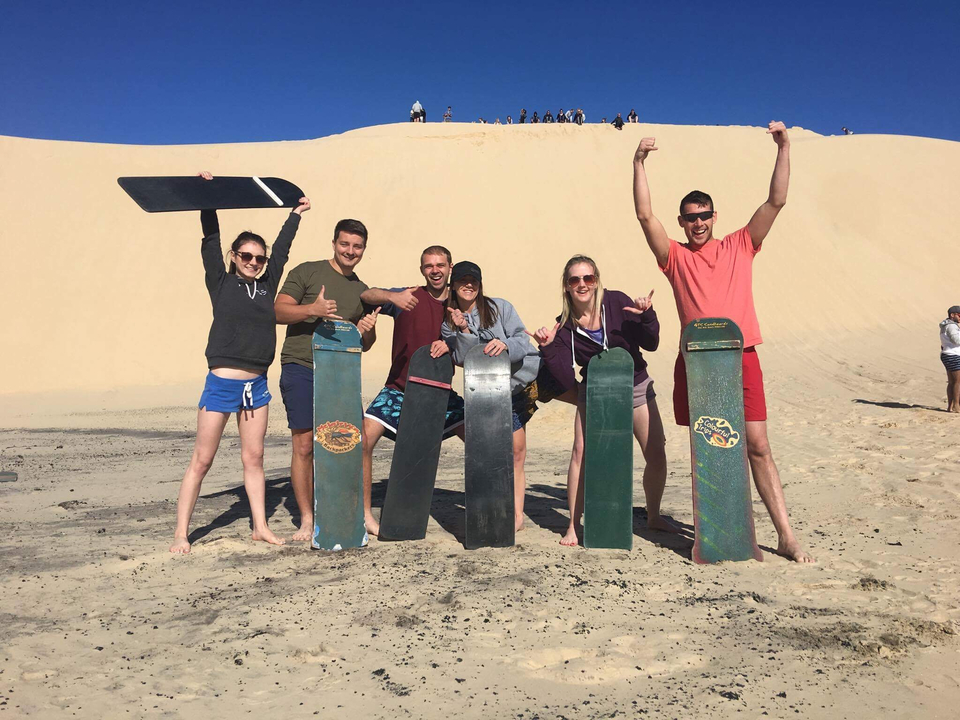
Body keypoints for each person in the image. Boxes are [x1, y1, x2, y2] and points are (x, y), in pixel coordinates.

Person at [631, 121, 814, 563]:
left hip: (742, 356)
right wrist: (637, 163)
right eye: (689, 218)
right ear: (682, 221)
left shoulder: (741, 244)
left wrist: (784, 146)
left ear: (715, 217)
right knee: (709, 444)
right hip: (696, 364)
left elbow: (777, 200)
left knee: (756, 444)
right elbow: (643, 216)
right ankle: (712, 531)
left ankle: (785, 535)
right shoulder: (673, 257)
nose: (697, 223)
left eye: (703, 216)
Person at [170, 171, 310, 554]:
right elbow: (209, 241)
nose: (253, 262)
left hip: (257, 386)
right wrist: (207, 196)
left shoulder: (267, 285)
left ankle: (260, 527)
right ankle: (182, 533)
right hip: (221, 383)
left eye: (258, 258)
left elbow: (282, 251)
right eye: (246, 256)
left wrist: (295, 215)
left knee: (255, 458)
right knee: (202, 459)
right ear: (235, 257)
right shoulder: (221, 281)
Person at [529, 255, 672, 546]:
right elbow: (564, 379)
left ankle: (654, 515)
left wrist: (647, 316)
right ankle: (572, 525)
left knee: (655, 452)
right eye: (575, 280)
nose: (582, 284)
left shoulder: (618, 303)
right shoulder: (564, 326)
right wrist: (547, 348)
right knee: (580, 453)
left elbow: (652, 343)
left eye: (588, 278)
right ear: (567, 287)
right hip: (594, 390)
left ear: (596, 281)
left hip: (634, 384)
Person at [274, 219, 380, 542]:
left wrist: (367, 330)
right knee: (305, 445)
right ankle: (307, 519)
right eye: (345, 244)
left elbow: (363, 343)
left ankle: (359, 514)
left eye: (357, 246)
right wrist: (313, 309)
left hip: (340, 372)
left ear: (363, 249)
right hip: (301, 366)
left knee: (352, 441)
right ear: (334, 242)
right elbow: (277, 311)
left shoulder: (361, 289)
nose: (351, 251)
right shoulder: (308, 272)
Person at [359, 247, 466, 535]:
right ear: (422, 270)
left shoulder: (460, 304)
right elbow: (367, 295)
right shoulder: (407, 296)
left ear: (450, 267)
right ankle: (365, 514)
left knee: (483, 439)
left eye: (440, 265)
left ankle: (486, 510)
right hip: (398, 389)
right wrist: (392, 296)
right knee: (363, 440)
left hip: (440, 393)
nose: (435, 270)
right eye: (429, 265)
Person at [441, 262, 541, 532]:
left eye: (473, 280)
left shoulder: (500, 308)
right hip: (489, 394)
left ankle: (516, 514)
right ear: (453, 284)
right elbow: (463, 360)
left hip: (522, 384)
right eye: (462, 279)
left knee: (516, 452)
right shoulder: (449, 320)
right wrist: (462, 331)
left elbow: (523, 339)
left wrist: (506, 344)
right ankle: (506, 510)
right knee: (507, 452)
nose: (469, 285)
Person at [941, 306, 960, 412]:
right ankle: (956, 406)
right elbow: (956, 340)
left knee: (952, 381)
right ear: (952, 315)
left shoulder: (946, 325)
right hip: (953, 355)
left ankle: (951, 406)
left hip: (948, 354)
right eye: (959, 315)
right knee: (957, 382)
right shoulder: (951, 327)